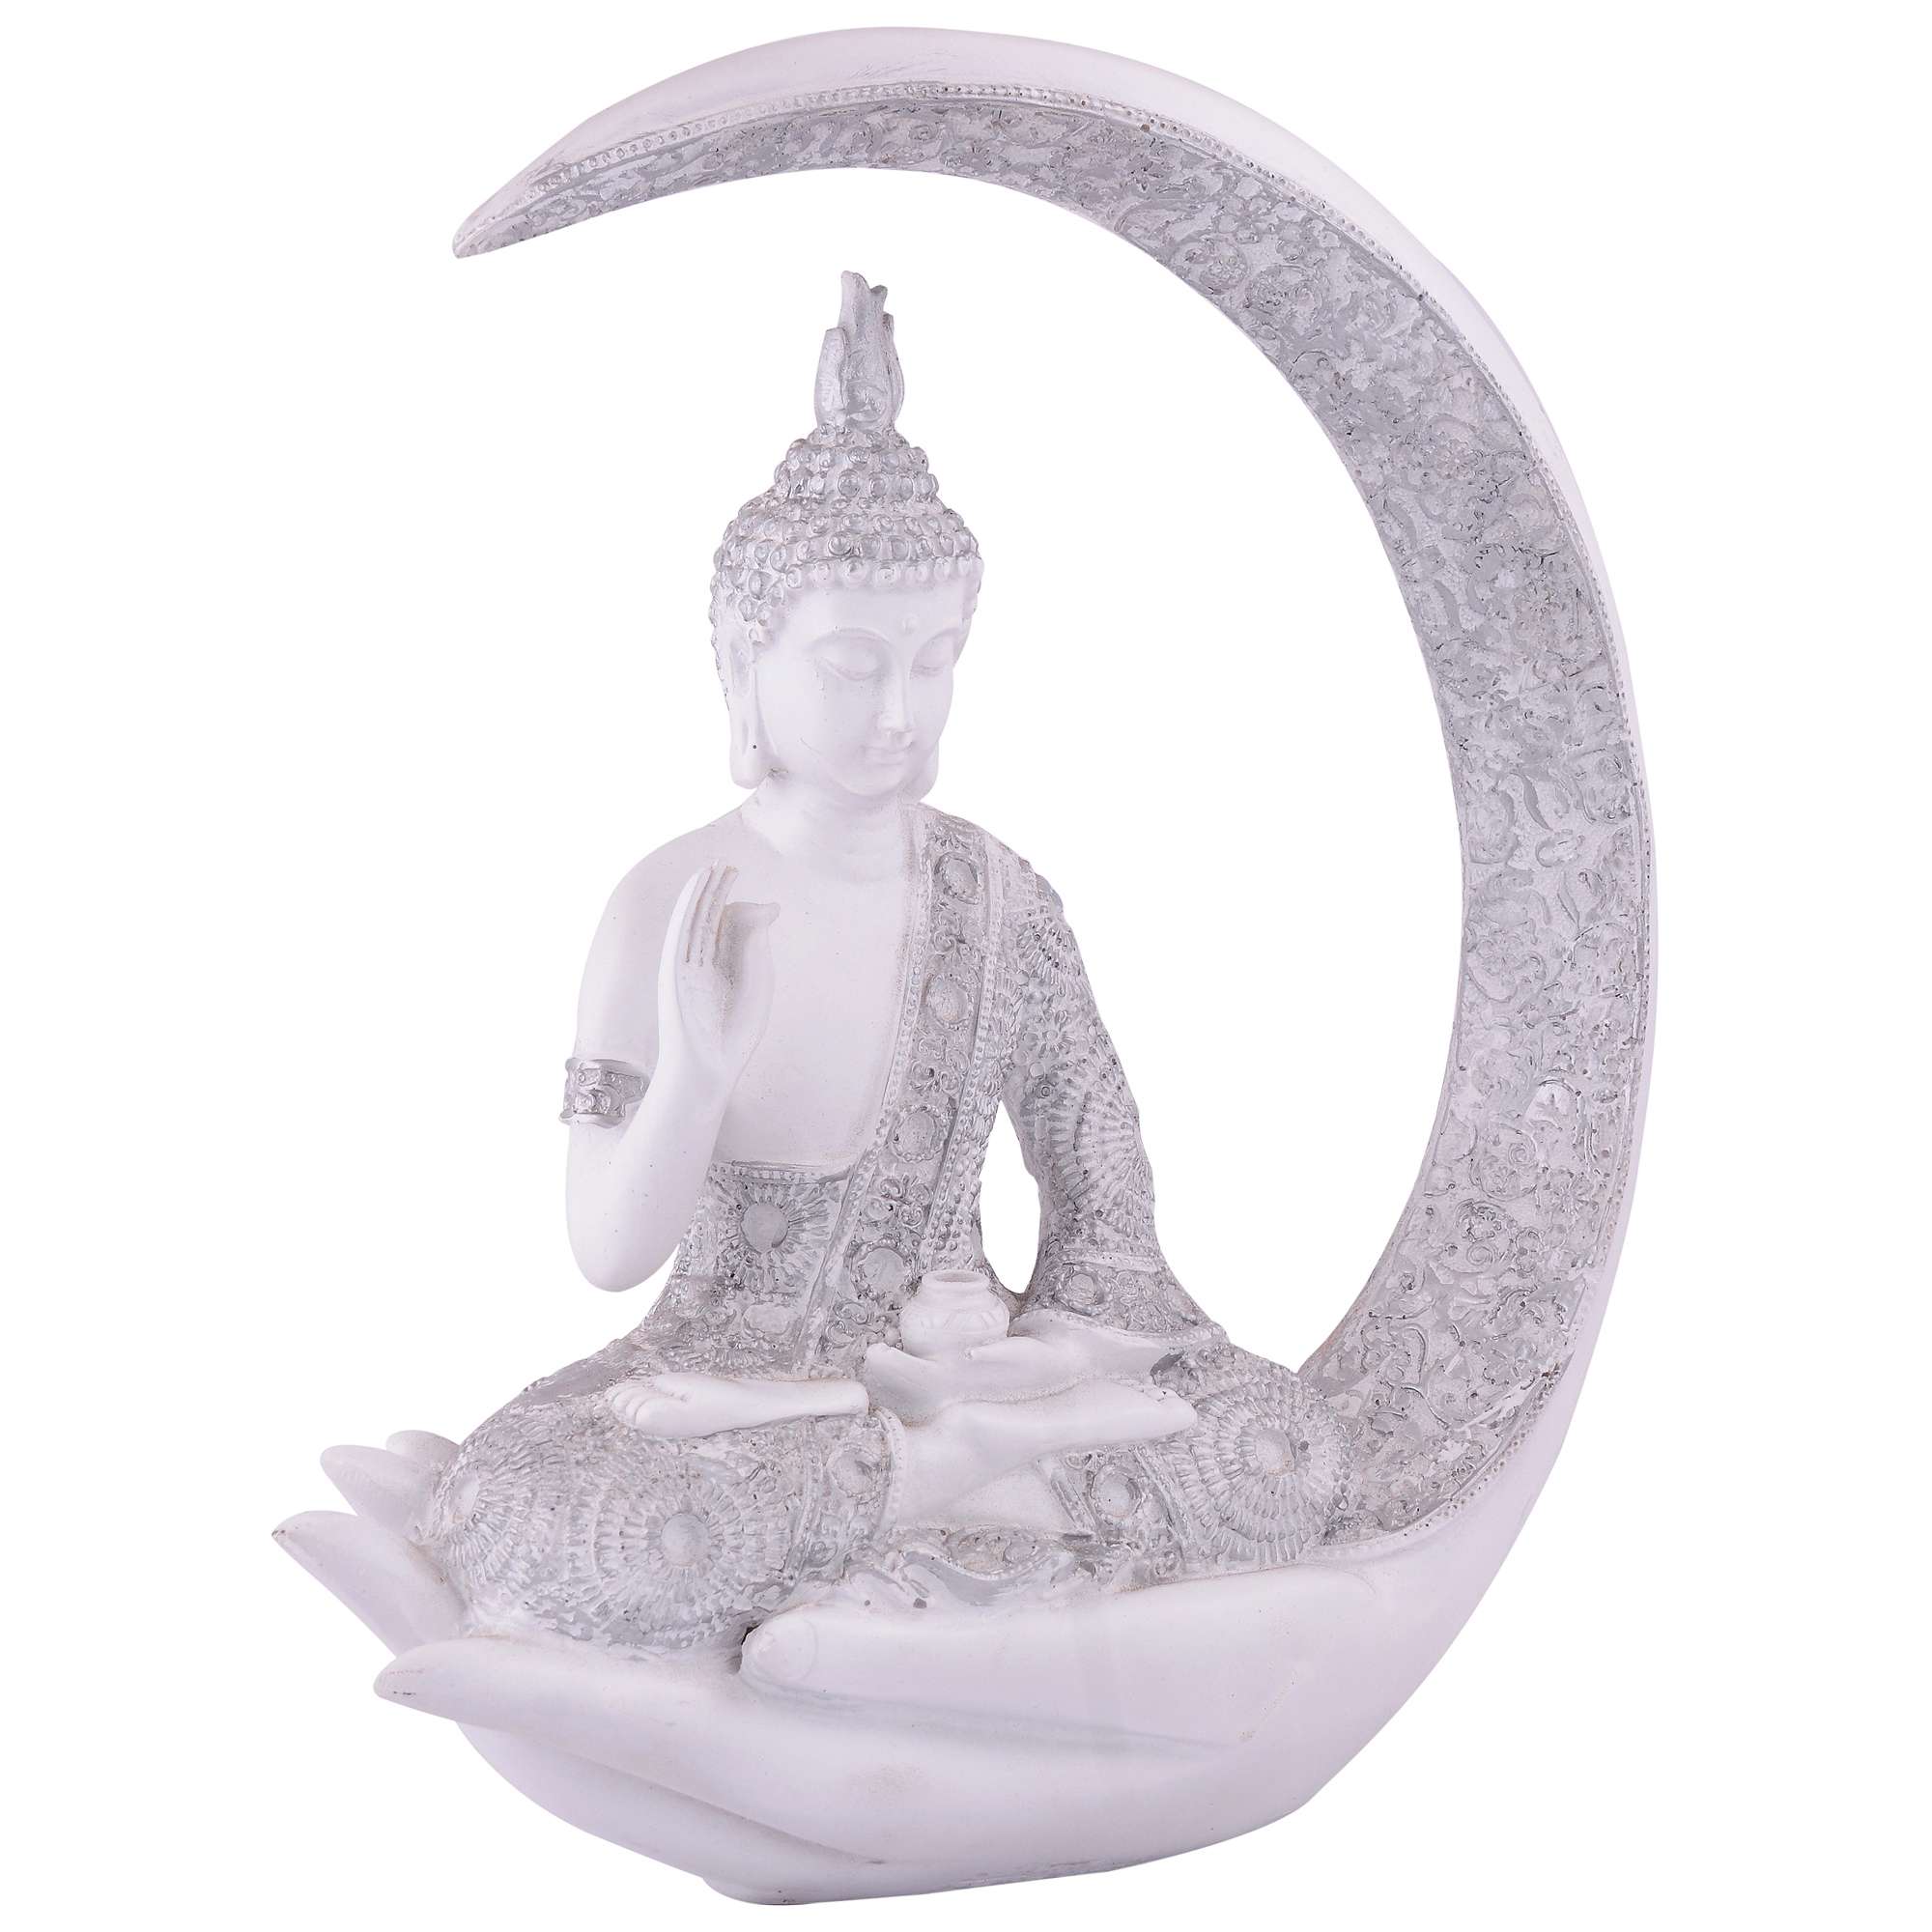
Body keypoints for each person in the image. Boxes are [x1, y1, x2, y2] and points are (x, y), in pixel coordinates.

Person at [414, 274, 1350, 1652]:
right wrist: (695, 1079)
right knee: (544, 1511)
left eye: (935, 661)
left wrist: (1029, 1355)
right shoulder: (666, 901)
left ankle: (932, 1467)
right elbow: (608, 1252)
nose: (901, 712)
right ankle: (958, 1481)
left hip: (957, 1365)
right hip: (724, 1385)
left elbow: (1106, 1195)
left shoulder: (1001, 899)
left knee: (1278, 1451)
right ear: (744, 659)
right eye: (853, 665)